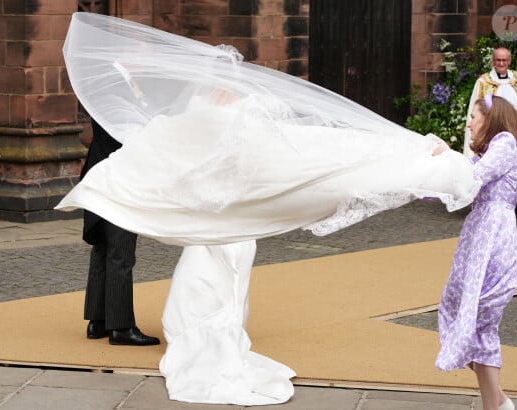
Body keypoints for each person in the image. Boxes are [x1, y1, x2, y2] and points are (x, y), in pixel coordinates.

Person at [57, 13, 481, 406]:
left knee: (196, 274)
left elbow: (197, 145)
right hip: (226, 216)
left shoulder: (212, 114)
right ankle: (148, 328)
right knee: (169, 267)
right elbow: (288, 146)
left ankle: (190, 337)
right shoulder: (234, 113)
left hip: (227, 217)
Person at [436, 95, 517, 410]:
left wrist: (448, 158)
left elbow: (470, 177)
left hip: (495, 245)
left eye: (474, 116)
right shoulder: (488, 154)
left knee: (479, 323)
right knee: (460, 314)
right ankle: (499, 402)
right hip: (479, 241)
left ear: (491, 118)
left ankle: (496, 406)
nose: (469, 123)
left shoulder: (504, 144)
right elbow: (458, 186)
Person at [81, 118, 160, 347]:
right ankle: (121, 327)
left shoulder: (102, 85)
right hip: (119, 174)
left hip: (100, 168)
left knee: (103, 245)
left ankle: (98, 320)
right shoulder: (119, 91)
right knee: (121, 250)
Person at [464, 47, 517, 211]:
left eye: (504, 60)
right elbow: (477, 110)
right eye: (498, 60)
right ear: (493, 61)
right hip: (495, 135)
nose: (501, 63)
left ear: (509, 61)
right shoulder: (484, 82)